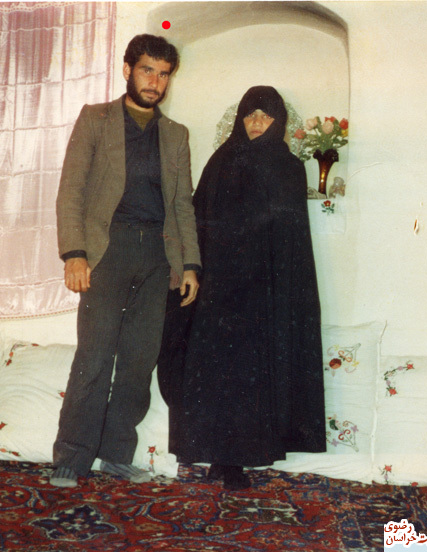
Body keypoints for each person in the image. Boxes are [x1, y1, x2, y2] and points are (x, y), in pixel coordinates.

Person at [157, 86, 326, 490]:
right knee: (215, 372)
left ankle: (240, 459)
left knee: (253, 374)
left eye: (265, 116)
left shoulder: (289, 168)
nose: (256, 123)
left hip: (264, 291)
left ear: (278, 122)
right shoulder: (220, 161)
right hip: (219, 288)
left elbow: (291, 240)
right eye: (250, 115)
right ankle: (217, 456)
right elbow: (197, 219)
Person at [52, 34, 201, 488]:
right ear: (127, 70)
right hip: (107, 251)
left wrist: (190, 264)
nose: (155, 81)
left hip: (157, 256)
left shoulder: (176, 135)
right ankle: (71, 458)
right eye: (147, 70)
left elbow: (182, 204)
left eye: (163, 74)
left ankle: (117, 455)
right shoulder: (95, 119)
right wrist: (74, 253)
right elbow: (71, 189)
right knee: (95, 357)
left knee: (139, 361)